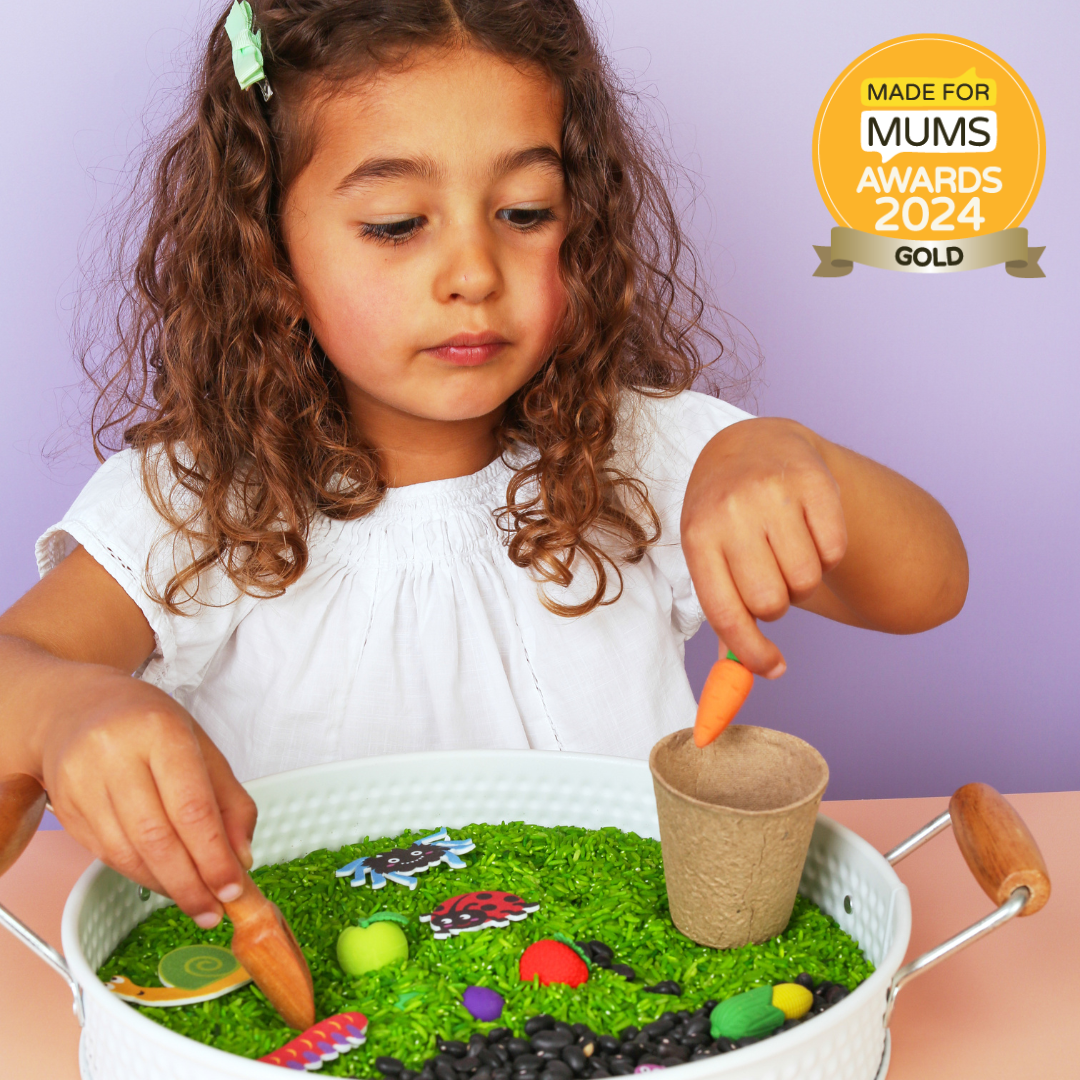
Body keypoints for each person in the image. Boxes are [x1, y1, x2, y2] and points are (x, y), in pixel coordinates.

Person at [0, 0, 966, 933]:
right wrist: (57, 711)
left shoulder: (644, 454)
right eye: (395, 224)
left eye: (525, 212)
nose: (474, 272)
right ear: (271, 254)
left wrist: (780, 451)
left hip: (625, 1004)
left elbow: (930, 589)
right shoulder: (202, 501)